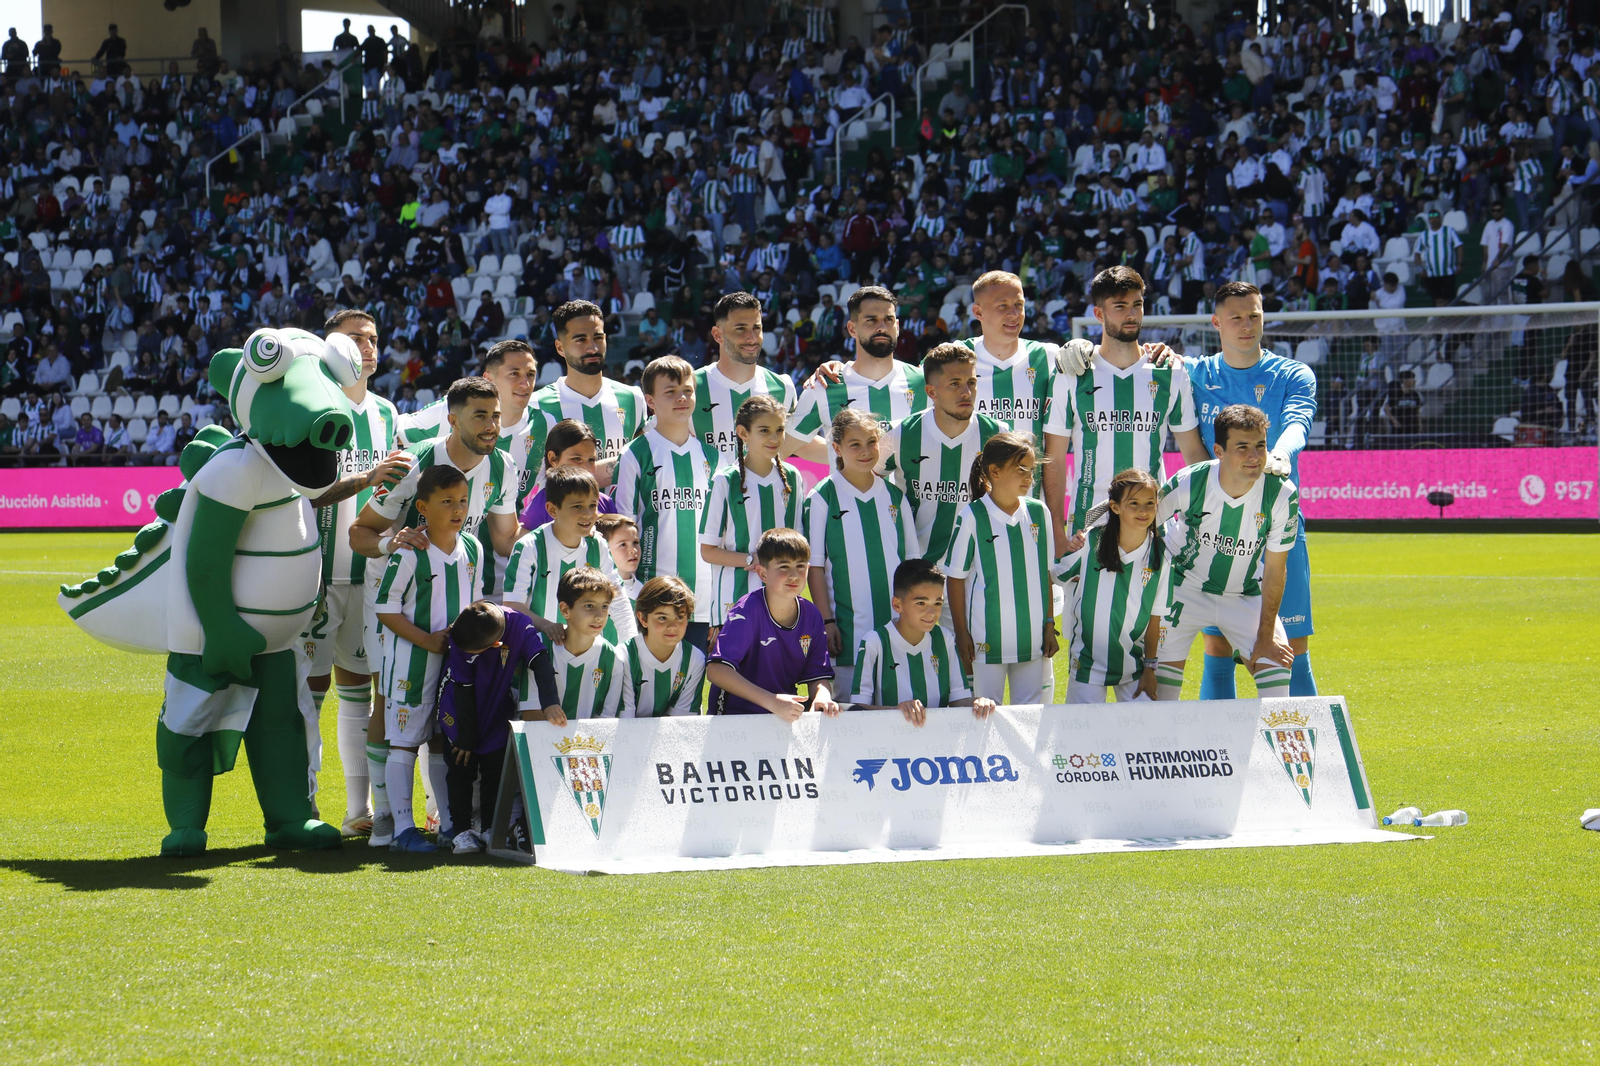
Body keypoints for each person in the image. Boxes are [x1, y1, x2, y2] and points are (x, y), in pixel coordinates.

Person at [299, 310, 409, 839]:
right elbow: (304, 490)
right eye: (353, 340)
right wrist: (364, 477)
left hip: (370, 576)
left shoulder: (389, 413)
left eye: (371, 339)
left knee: (359, 692)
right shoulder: (313, 408)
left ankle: (356, 811)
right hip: (317, 575)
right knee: (310, 691)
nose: (365, 348)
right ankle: (303, 807)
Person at [1187, 281, 1318, 698]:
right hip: (1215, 527)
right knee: (1217, 644)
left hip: (1276, 522)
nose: (1247, 325)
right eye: (1237, 317)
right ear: (1217, 322)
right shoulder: (1194, 373)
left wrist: (1280, 452)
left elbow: (1299, 420)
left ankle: (1309, 759)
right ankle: (1220, 756)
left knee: (1290, 647)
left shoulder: (1293, 373)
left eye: (1255, 315)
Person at [1043, 266, 1207, 553]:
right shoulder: (1072, 372)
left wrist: (1204, 519)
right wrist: (1057, 530)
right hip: (1087, 531)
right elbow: (1054, 458)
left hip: (1154, 529)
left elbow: (1193, 453)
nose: (1131, 315)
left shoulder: (1170, 371)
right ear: (1098, 314)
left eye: (1137, 304)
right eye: (1120, 306)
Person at [1153, 404, 1297, 700]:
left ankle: (1255, 747)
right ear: (1219, 450)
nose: (1255, 457)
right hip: (1183, 588)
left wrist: (1266, 637)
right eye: (1242, 447)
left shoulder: (1282, 493)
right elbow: (1143, 524)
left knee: (1276, 669)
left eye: (1260, 446)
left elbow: (1274, 569)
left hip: (1244, 594)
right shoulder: (1190, 481)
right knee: (1159, 692)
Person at [373, 464, 482, 853]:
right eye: (447, 501)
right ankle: (403, 830)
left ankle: (449, 824)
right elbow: (384, 608)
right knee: (403, 743)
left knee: (441, 740)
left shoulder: (472, 547)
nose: (457, 509)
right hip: (410, 664)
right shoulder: (409, 552)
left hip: (451, 665)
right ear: (423, 506)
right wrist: (427, 640)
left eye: (463, 501)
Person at [399, 339, 539, 596]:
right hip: (410, 582)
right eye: (514, 374)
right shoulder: (442, 417)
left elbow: (506, 536)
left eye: (531, 374)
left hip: (475, 579)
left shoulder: (539, 427)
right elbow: (393, 431)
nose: (525, 383)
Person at [803, 407, 921, 699]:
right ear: (837, 448)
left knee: (897, 716)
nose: (865, 451)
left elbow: (912, 567)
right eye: (855, 444)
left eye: (871, 442)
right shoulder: (821, 498)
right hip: (847, 635)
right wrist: (827, 622)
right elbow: (814, 567)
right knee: (849, 719)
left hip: (896, 631)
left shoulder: (895, 497)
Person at [613, 356, 719, 665]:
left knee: (694, 685)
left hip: (704, 600)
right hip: (652, 595)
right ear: (650, 401)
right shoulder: (636, 454)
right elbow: (625, 527)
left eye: (688, 390)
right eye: (670, 392)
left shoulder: (712, 457)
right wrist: (631, 586)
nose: (682, 398)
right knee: (647, 683)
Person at [436, 601, 561, 854]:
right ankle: (460, 832)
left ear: (495, 645)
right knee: (461, 768)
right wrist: (466, 738)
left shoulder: (520, 626)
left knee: (495, 771)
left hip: (496, 710)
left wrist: (550, 703)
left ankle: (490, 828)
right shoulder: (465, 629)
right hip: (461, 711)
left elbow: (540, 661)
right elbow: (462, 688)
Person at [943, 432, 1058, 705]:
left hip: (1032, 640)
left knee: (1029, 720)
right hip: (984, 641)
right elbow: (955, 578)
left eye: (1031, 470)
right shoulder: (971, 516)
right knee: (982, 714)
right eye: (1021, 470)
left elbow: (1045, 576)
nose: (1029, 478)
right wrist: (961, 632)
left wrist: (1049, 624)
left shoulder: (1039, 512)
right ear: (994, 471)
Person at [879, 342, 1008, 572]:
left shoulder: (998, 435)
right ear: (931, 392)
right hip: (919, 574)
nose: (966, 392)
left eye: (971, 382)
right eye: (954, 384)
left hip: (979, 573)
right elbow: (867, 485)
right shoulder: (899, 435)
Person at [1056, 469, 1170, 704]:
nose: (1144, 510)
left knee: (1141, 736)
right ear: (1115, 507)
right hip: (1086, 661)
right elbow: (1056, 576)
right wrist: (1071, 548)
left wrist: (1150, 667)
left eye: (1150, 503)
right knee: (1081, 734)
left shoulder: (1161, 555)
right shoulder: (1091, 542)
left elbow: (1155, 619)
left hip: (1134, 665)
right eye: (1134, 503)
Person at [705, 527, 840, 719]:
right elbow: (716, 670)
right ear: (762, 574)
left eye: (800, 566)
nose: (794, 575)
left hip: (782, 717)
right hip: (734, 719)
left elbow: (818, 676)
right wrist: (772, 701)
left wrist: (823, 696)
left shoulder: (812, 615)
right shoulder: (746, 611)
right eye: (784, 567)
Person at [786, 286, 928, 463]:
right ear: (852, 329)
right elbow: (792, 444)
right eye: (871, 320)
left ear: (897, 327)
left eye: (888, 319)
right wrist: (843, 455)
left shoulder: (925, 384)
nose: (882, 327)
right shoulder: (824, 386)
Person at [698, 390, 804, 626]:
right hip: (734, 602)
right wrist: (752, 560)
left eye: (779, 430)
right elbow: (708, 551)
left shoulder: (793, 478)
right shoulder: (724, 480)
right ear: (743, 433)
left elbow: (798, 545)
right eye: (764, 430)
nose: (774, 438)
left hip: (783, 604)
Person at [848, 558, 996, 725]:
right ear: (897, 605)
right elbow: (857, 708)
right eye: (921, 603)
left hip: (937, 745)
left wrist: (977, 703)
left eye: (937, 603)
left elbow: (959, 700)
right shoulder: (874, 642)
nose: (931, 612)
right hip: (888, 745)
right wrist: (898, 711)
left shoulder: (945, 639)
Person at [503, 466, 636, 644]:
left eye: (592, 505)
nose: (588, 514)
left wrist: (633, 649)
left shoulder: (598, 545)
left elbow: (618, 602)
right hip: (541, 652)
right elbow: (512, 607)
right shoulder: (529, 546)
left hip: (589, 657)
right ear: (552, 510)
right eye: (577, 506)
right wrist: (546, 625)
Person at [691, 291, 798, 467]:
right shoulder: (690, 387)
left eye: (757, 328)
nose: (752, 338)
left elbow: (800, 443)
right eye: (741, 329)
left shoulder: (782, 386)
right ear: (718, 335)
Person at [531, 567, 624, 723]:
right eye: (589, 606)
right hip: (541, 743)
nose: (600, 616)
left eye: (605, 607)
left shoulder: (612, 658)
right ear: (565, 610)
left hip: (589, 745)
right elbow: (531, 714)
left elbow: (607, 721)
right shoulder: (539, 647)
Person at [620, 576, 706, 718]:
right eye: (662, 618)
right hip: (627, 736)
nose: (672, 627)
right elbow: (625, 721)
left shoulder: (694, 659)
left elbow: (680, 722)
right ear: (643, 619)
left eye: (679, 617)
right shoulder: (624, 657)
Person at [1413, 210, 1463, 306]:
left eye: (1436, 217)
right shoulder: (1424, 235)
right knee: (1435, 299)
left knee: (1450, 298)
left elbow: (1459, 247)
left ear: (1440, 218)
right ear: (1429, 220)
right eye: (1431, 218)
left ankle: (1452, 319)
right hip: (1432, 274)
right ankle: (1438, 320)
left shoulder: (1449, 231)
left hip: (1448, 272)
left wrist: (1459, 264)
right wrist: (1420, 269)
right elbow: (1417, 253)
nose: (1434, 220)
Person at [595, 513, 642, 604]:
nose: (633, 550)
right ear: (603, 547)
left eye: (635, 542)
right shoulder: (596, 592)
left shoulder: (646, 591)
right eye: (623, 544)